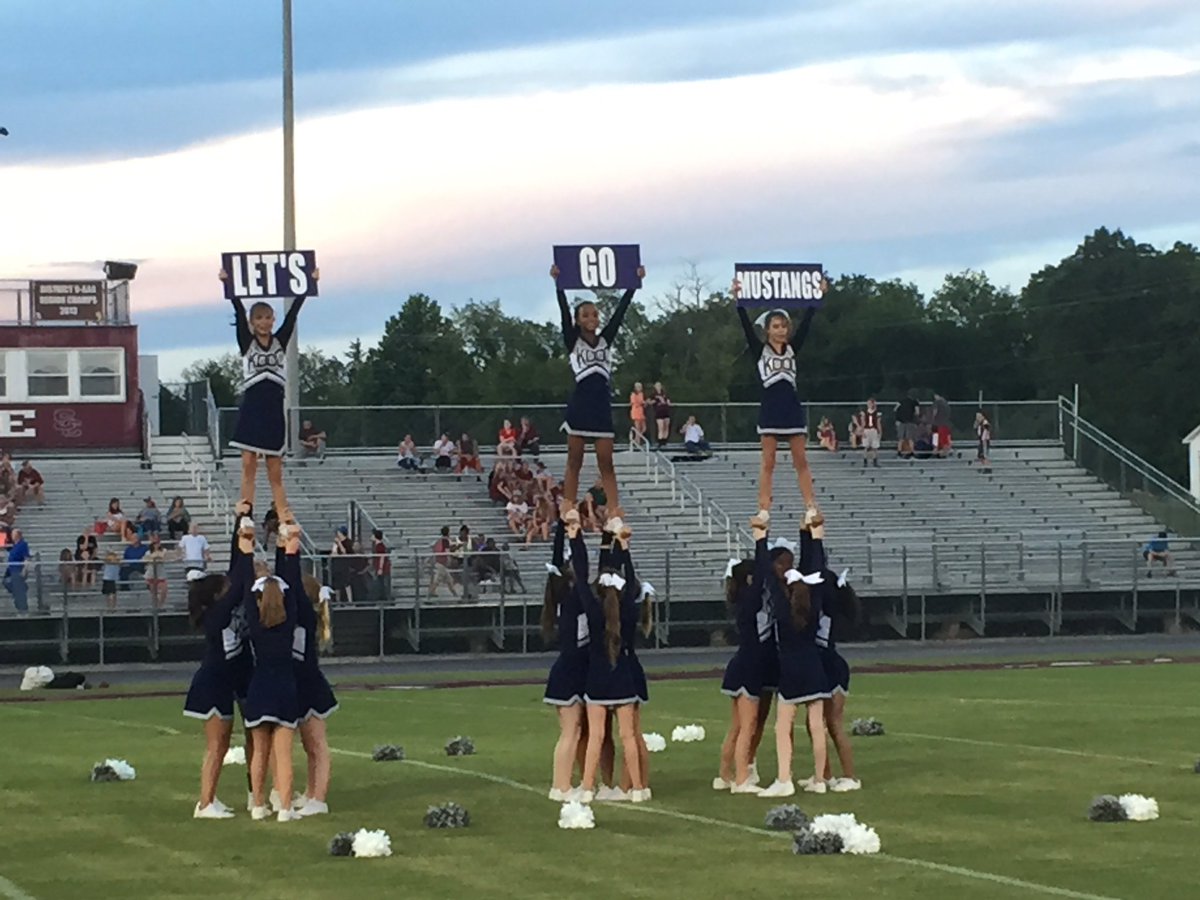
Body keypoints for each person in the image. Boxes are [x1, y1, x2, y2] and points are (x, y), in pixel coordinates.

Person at [551, 261, 644, 526]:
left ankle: (615, 510)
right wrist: (559, 285)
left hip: (602, 405)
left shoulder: (606, 339)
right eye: (586, 315)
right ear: (578, 320)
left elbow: (620, 314)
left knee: (606, 462)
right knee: (574, 460)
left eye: (594, 314)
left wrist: (632, 285)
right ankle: (568, 506)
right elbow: (562, 314)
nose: (592, 319)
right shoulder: (573, 340)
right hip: (581, 404)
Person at [570, 508, 652, 804]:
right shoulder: (629, 609)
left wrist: (574, 537)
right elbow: (631, 583)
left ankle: (588, 788)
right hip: (624, 679)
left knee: (595, 737)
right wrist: (623, 546)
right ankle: (639, 788)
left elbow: (580, 579)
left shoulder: (593, 611)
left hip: (597, 680)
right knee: (628, 736)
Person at [220, 266, 317, 511]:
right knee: (248, 464)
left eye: (268, 317)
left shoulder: (280, 340)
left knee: (275, 469)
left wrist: (308, 285)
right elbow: (238, 311)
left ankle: (283, 513)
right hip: (252, 406)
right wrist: (227, 284)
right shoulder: (246, 341)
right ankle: (246, 512)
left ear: (273, 319)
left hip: (274, 407)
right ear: (253, 322)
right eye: (259, 318)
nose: (264, 322)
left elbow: (293, 316)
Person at [751, 513, 831, 799]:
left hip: (791, 669)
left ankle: (785, 779)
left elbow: (765, 575)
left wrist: (760, 539)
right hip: (814, 666)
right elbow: (818, 567)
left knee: (783, 726)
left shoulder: (783, 607)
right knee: (816, 726)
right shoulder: (813, 600)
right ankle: (820, 779)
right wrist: (812, 535)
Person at [183, 509, 256, 819]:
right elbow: (240, 579)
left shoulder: (225, 606)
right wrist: (245, 536)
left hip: (233, 679)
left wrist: (242, 523)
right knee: (217, 745)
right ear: (216, 597)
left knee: (245, 737)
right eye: (223, 589)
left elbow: (235, 570)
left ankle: (254, 795)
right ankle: (204, 803)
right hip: (213, 684)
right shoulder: (215, 616)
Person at [734, 290, 823, 527]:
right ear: (767, 330)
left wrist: (816, 298)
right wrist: (739, 300)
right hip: (770, 408)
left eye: (784, 326)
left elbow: (807, 324)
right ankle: (763, 509)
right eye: (776, 326)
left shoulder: (794, 348)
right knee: (768, 461)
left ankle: (811, 506)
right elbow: (744, 326)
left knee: (801, 460)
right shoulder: (759, 350)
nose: (781, 330)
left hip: (791, 408)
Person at [243, 515, 304, 822]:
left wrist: (244, 546)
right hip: (285, 688)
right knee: (283, 755)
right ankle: (285, 808)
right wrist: (287, 549)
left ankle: (256, 805)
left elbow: (245, 593)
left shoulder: (256, 625)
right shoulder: (287, 622)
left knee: (259, 752)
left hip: (259, 688)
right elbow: (291, 586)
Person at [801, 526, 861, 792]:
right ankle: (824, 774)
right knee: (817, 723)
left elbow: (814, 570)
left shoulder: (823, 609)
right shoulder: (828, 606)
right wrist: (807, 535)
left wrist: (815, 538)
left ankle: (850, 776)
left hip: (828, 665)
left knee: (833, 724)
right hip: (828, 663)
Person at [714, 554, 776, 795]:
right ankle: (741, 779)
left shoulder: (742, 600)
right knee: (747, 726)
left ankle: (724, 775)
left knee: (738, 726)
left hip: (742, 665)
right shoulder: (748, 602)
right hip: (748, 667)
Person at [291, 566, 338, 817]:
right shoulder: (302, 618)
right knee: (309, 746)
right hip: (302, 684)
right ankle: (310, 792)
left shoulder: (305, 619)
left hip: (310, 686)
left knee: (317, 745)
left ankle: (319, 799)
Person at [3, 528, 30, 614]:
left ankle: (23, 610)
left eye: (13, 534)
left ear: (17, 535)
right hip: (12, 570)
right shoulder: (14, 545)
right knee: (7, 583)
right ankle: (20, 607)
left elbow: (26, 558)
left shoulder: (23, 544)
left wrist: (25, 570)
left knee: (19, 591)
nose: (11, 536)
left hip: (18, 569)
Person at [429, 526, 458, 598]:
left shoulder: (440, 540)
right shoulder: (445, 540)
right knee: (438, 579)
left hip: (440, 563)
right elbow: (448, 551)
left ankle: (455, 594)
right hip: (441, 563)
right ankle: (430, 593)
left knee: (449, 580)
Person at [145, 533, 168, 608]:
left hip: (160, 574)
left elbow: (163, 557)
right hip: (151, 574)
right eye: (155, 543)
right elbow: (146, 559)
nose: (156, 545)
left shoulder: (164, 550)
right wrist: (155, 556)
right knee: (154, 593)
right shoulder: (148, 552)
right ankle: (156, 607)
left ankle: (160, 605)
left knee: (164, 591)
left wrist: (156, 556)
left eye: (158, 542)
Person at [894, 390, 919, 459]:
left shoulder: (901, 401)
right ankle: (912, 452)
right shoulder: (914, 402)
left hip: (901, 421)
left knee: (901, 438)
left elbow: (895, 409)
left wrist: (898, 418)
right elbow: (917, 412)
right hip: (910, 421)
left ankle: (899, 452)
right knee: (910, 438)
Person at [861, 398, 882, 468]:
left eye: (870, 403)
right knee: (866, 446)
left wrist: (880, 432)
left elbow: (878, 423)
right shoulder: (864, 412)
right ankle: (865, 461)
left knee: (875, 447)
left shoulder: (877, 413)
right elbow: (863, 423)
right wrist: (862, 432)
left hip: (874, 430)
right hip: (867, 430)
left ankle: (875, 461)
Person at [370, 529, 391, 601]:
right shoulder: (377, 545)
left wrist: (380, 568)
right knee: (380, 583)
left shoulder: (380, 546)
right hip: (378, 567)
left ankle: (384, 598)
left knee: (382, 583)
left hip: (382, 568)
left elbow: (382, 557)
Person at [651, 382, 672, 449]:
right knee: (661, 427)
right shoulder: (653, 395)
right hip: (659, 413)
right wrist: (655, 400)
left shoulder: (665, 394)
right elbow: (650, 401)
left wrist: (666, 402)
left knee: (666, 427)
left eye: (659, 385)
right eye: (657, 386)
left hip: (666, 412)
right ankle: (660, 441)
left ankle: (664, 441)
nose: (658, 387)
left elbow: (668, 402)